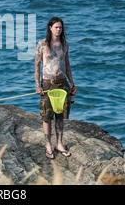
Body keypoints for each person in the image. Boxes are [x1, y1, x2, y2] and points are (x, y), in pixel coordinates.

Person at [35, 16, 77, 159]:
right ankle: (48, 145)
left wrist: (72, 83)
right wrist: (37, 85)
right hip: (47, 82)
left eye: (60, 27)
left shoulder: (65, 44)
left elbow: (67, 64)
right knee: (46, 116)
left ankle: (59, 144)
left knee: (60, 115)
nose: (59, 30)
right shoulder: (42, 44)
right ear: (50, 28)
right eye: (56, 27)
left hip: (62, 82)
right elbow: (36, 66)